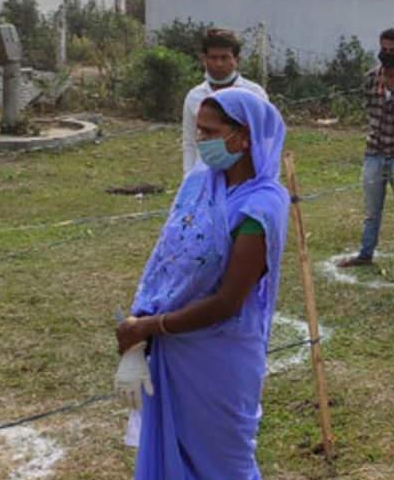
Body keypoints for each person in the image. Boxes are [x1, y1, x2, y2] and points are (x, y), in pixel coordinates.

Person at [115, 89, 290, 479]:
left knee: (226, 465)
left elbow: (228, 301)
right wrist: (139, 321)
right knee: (175, 456)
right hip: (173, 350)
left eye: (210, 132)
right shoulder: (198, 185)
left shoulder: (262, 206)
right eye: (199, 131)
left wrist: (148, 327)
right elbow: (166, 261)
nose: (201, 141)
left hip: (220, 357)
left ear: (242, 137)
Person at [338, 29, 394, 278]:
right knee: (371, 209)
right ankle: (365, 254)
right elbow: (369, 108)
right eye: (384, 49)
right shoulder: (370, 79)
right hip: (374, 151)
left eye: (392, 51)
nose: (386, 54)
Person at [182, 28, 268, 173]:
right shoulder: (194, 97)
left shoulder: (254, 94)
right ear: (204, 59)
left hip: (243, 175)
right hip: (204, 176)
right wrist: (189, 178)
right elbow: (190, 142)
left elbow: (264, 139)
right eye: (213, 58)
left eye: (224, 57)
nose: (219, 64)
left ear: (236, 60)